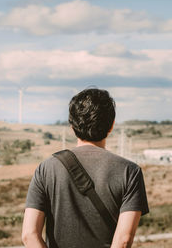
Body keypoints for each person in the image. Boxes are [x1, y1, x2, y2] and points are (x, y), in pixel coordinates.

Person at [22, 88, 149, 248]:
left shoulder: (46, 169)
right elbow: (123, 241)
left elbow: (29, 235)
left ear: (72, 126)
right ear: (111, 126)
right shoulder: (129, 172)